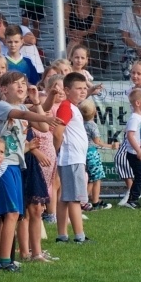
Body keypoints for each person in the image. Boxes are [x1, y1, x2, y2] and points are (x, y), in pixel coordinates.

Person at [49, 71, 92, 240]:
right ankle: (80, 236)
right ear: (67, 90)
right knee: (74, 198)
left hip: (73, 158)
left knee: (65, 198)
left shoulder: (72, 107)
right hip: (72, 158)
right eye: (78, 88)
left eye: (84, 88)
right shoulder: (66, 107)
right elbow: (58, 132)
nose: (83, 91)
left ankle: (62, 235)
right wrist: (56, 149)